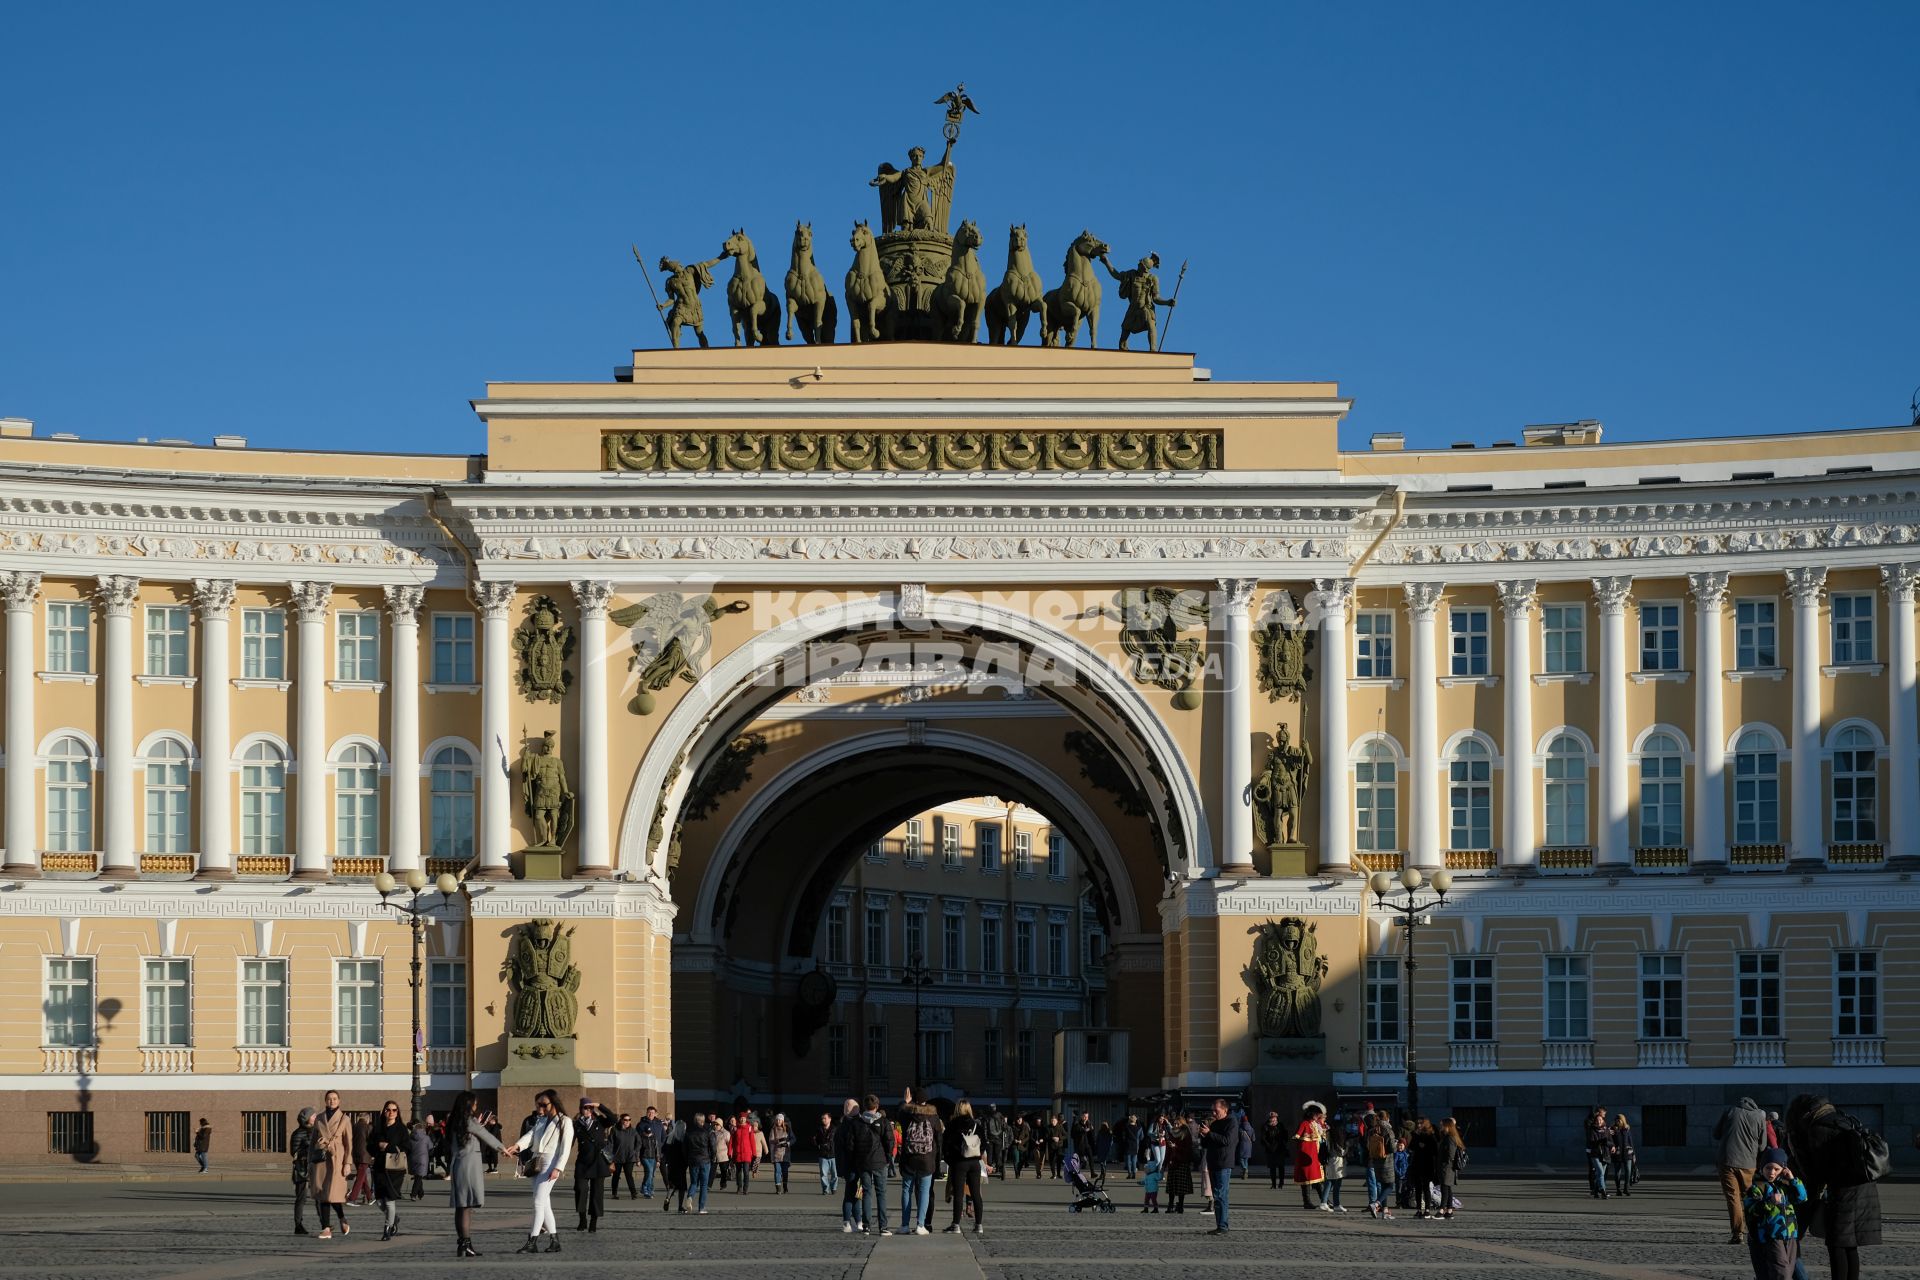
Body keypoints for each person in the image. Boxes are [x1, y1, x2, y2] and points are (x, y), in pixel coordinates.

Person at [1785, 1094, 1884, 1280]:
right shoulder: (1841, 1118)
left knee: (1836, 1244)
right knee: (1850, 1244)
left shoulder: (1817, 1128)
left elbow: (1819, 1171)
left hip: (1842, 1190)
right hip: (1864, 1187)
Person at [503, 1088, 574, 1253]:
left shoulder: (565, 1121)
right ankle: (554, 1241)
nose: (539, 1108)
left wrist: (558, 1168)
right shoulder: (541, 1120)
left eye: (543, 1105)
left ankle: (532, 1241)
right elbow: (530, 1135)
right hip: (537, 1160)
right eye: (538, 1105)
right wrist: (517, 1146)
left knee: (538, 1201)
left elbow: (566, 1149)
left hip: (551, 1161)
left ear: (553, 1103)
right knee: (544, 1202)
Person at [446, 1088, 506, 1259]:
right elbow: (485, 1135)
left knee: (461, 1206)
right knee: (466, 1207)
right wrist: (502, 1149)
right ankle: (466, 1244)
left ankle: (463, 1244)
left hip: (458, 1165)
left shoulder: (454, 1120)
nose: (476, 1106)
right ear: (469, 1104)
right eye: (475, 1103)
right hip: (469, 1166)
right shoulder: (469, 1121)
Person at [1744, 1147, 1808, 1280]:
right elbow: (1751, 1208)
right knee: (1782, 1274)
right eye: (1768, 1168)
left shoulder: (1785, 1186)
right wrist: (1770, 1202)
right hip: (1771, 1237)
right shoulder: (1757, 1188)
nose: (1771, 1172)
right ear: (1761, 1168)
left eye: (1776, 1169)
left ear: (1783, 1170)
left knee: (1788, 1272)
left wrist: (1792, 1179)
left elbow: (1802, 1197)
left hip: (1790, 1236)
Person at [1714, 1097, 1770, 1244]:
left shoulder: (1730, 1111)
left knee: (1733, 1198)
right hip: (1748, 1163)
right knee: (1751, 1197)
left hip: (1727, 1161)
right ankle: (1756, 1230)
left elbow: (1716, 1134)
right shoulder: (1759, 1116)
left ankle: (1738, 1234)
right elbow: (1763, 1145)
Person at [898, 1092, 942, 1234]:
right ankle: (920, 1225)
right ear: (926, 1101)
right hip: (927, 1160)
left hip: (909, 1159)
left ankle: (904, 1225)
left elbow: (898, 1113)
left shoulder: (907, 1115)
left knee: (906, 1191)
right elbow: (939, 1141)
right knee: (924, 1192)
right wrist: (937, 1160)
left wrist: (905, 1102)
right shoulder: (934, 1117)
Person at [312, 1090, 353, 1239]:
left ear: (339, 1101)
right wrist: (311, 1159)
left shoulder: (344, 1119)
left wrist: (347, 1163)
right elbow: (313, 1140)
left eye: (335, 1099)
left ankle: (342, 1218)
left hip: (337, 1160)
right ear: (325, 1101)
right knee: (323, 1194)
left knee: (333, 1194)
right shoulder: (319, 1118)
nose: (332, 1101)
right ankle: (326, 1228)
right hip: (322, 1159)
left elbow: (349, 1144)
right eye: (329, 1099)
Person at [942, 1099, 987, 1235]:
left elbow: (946, 1145)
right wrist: (978, 1157)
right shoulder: (976, 1125)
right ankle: (978, 1225)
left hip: (959, 1162)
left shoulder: (952, 1125)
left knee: (958, 1194)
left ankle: (956, 1224)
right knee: (975, 1194)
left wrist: (950, 1160)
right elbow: (984, 1144)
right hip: (974, 1163)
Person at [367, 1100, 409, 1240]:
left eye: (394, 1110)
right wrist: (378, 1146)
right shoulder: (378, 1128)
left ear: (397, 1113)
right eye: (388, 1110)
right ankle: (393, 1218)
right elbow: (369, 1146)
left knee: (390, 1200)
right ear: (384, 1112)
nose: (390, 1113)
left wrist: (389, 1147)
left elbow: (407, 1148)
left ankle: (387, 1228)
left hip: (395, 1170)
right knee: (379, 1201)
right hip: (379, 1167)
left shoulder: (401, 1129)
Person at [572, 1098, 616, 1231]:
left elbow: (613, 1118)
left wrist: (599, 1105)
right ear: (580, 1109)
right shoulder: (576, 1124)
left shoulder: (600, 1121)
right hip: (583, 1162)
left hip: (599, 1161)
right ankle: (582, 1218)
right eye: (585, 1108)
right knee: (580, 1189)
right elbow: (568, 1141)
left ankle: (593, 1221)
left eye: (589, 1108)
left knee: (597, 1193)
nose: (587, 1110)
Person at [850, 1094, 892, 1236]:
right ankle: (883, 1226)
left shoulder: (857, 1122)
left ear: (864, 1107)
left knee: (867, 1193)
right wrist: (888, 1157)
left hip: (863, 1162)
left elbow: (851, 1144)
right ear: (877, 1106)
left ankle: (866, 1225)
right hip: (879, 1161)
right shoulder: (883, 1121)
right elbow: (889, 1141)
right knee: (881, 1193)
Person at [1201, 1097, 1236, 1235]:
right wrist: (1203, 1135)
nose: (1214, 1113)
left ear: (1225, 1109)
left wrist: (1209, 1133)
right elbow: (1207, 1144)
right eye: (1212, 1111)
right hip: (1213, 1162)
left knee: (1221, 1195)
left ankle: (1223, 1225)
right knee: (1217, 1195)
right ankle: (1219, 1225)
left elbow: (1227, 1141)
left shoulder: (1231, 1122)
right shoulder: (1215, 1124)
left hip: (1224, 1163)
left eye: (1216, 1111)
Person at [833, 1098, 862, 1231]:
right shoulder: (855, 1126)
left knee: (855, 1194)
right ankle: (848, 1222)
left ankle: (857, 1221)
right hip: (855, 1165)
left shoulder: (841, 1127)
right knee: (853, 1194)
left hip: (846, 1165)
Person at [1293, 1101, 1328, 1210]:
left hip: (1315, 1155)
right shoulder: (1304, 1123)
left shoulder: (1315, 1124)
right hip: (1306, 1155)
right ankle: (1307, 1202)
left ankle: (1324, 1200)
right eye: (1317, 1114)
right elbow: (1297, 1137)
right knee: (1307, 1179)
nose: (1318, 1116)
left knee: (1316, 1179)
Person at [290, 1108, 317, 1236]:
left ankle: (325, 1224)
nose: (315, 1117)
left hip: (315, 1168)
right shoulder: (298, 1133)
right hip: (301, 1170)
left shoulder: (316, 1131)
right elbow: (294, 1153)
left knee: (319, 1197)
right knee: (301, 1198)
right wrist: (309, 1150)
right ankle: (298, 1225)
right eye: (313, 1115)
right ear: (307, 1118)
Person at [1365, 1109, 1395, 1219]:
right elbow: (1392, 1148)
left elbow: (1368, 1145)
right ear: (1387, 1118)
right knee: (1390, 1186)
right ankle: (1376, 1204)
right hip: (1387, 1161)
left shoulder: (1372, 1130)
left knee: (1383, 1185)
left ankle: (1385, 1211)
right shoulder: (1387, 1129)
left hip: (1376, 1160)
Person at [685, 1110, 717, 1214]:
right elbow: (713, 1146)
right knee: (704, 1185)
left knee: (694, 1182)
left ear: (695, 1121)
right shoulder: (708, 1131)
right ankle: (701, 1208)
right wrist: (712, 1158)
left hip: (693, 1160)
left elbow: (684, 1148)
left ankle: (690, 1197)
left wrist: (687, 1159)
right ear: (703, 1121)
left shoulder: (688, 1132)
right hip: (705, 1160)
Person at [1408, 1118, 1440, 1218]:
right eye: (1417, 1123)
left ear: (1425, 1124)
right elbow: (1411, 1147)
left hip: (1427, 1164)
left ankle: (1427, 1210)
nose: (1418, 1125)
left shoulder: (1431, 1135)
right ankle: (1418, 1209)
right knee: (1418, 1188)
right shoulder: (1416, 1135)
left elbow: (1435, 1151)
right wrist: (1416, 1139)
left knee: (1426, 1187)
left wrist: (1425, 1147)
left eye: (1421, 1123)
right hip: (1417, 1164)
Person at [1436, 1117, 1467, 1220]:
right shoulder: (1448, 1136)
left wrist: (1444, 1162)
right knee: (1448, 1188)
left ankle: (1441, 1210)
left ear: (1447, 1126)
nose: (1441, 1127)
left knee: (1444, 1188)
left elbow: (1450, 1154)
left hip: (1447, 1167)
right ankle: (1449, 1210)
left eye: (1442, 1125)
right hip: (1447, 1166)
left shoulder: (1449, 1137)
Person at [1165, 1113, 1195, 1214]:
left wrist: (1176, 1147)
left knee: (1181, 1187)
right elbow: (1168, 1150)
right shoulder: (1171, 1133)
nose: (1175, 1125)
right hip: (1173, 1162)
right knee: (1171, 1186)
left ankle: (1181, 1205)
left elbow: (1188, 1149)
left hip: (1182, 1162)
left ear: (1182, 1124)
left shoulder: (1186, 1134)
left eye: (1177, 1124)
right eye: (1174, 1123)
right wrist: (1165, 1163)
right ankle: (1170, 1205)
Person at [662, 1116, 691, 1214]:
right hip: (681, 1165)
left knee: (672, 1185)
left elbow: (663, 1150)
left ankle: (667, 1198)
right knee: (682, 1187)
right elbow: (687, 1151)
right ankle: (680, 1206)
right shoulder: (685, 1137)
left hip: (671, 1164)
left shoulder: (670, 1137)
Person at [1586, 1106, 1615, 1199]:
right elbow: (1591, 1142)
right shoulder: (1592, 1130)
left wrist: (1612, 1146)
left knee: (1600, 1174)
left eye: (1600, 1120)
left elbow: (1610, 1141)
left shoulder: (1606, 1129)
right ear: (1595, 1121)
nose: (1599, 1121)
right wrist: (1601, 1141)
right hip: (1595, 1154)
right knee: (1600, 1172)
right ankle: (1603, 1191)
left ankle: (1595, 1191)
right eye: (1597, 1120)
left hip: (1605, 1154)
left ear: (1603, 1121)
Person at [610, 1113, 640, 1200]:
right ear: (621, 1120)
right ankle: (614, 1193)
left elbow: (639, 1142)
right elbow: (610, 1143)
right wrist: (610, 1157)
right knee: (616, 1176)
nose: (627, 1122)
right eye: (625, 1120)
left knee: (629, 1175)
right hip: (617, 1157)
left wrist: (635, 1151)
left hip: (629, 1157)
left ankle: (633, 1193)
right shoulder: (615, 1130)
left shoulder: (633, 1131)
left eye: (629, 1120)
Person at [638, 1106, 666, 1198]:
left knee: (651, 1173)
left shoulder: (659, 1124)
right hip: (644, 1153)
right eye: (649, 1112)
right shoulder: (641, 1124)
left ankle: (648, 1189)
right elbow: (637, 1139)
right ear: (646, 1113)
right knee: (649, 1172)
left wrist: (659, 1148)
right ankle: (646, 1189)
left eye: (652, 1112)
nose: (651, 1114)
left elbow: (663, 1137)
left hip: (655, 1153)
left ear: (656, 1114)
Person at [1610, 1114, 1637, 1198]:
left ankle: (1626, 1188)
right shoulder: (1613, 1129)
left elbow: (1630, 1141)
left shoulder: (1627, 1129)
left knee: (1628, 1171)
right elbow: (1610, 1140)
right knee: (1617, 1172)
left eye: (1619, 1119)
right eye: (1616, 1120)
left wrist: (1633, 1154)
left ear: (1623, 1120)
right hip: (1617, 1154)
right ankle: (1618, 1189)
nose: (1617, 1121)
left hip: (1627, 1153)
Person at [1260, 1110, 1288, 1188]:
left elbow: (1285, 1135)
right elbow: (1263, 1138)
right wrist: (1268, 1146)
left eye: (1275, 1118)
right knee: (1272, 1168)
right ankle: (1273, 1184)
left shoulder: (1280, 1125)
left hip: (1280, 1149)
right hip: (1270, 1150)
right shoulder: (1265, 1126)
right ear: (1269, 1118)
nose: (1273, 1120)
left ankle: (1281, 1183)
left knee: (1281, 1167)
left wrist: (1283, 1142)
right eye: (1272, 1118)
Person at [731, 1112, 758, 1193]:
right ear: (739, 1119)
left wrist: (754, 1152)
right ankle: (739, 1187)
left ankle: (745, 1188)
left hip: (746, 1153)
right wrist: (730, 1152)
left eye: (744, 1118)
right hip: (738, 1153)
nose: (742, 1119)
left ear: (746, 1119)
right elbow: (732, 1141)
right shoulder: (736, 1128)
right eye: (741, 1118)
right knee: (738, 1172)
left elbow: (752, 1141)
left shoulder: (749, 1128)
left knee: (746, 1171)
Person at [408, 1117, 433, 1201]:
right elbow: (430, 1147)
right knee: (419, 1177)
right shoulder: (426, 1137)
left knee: (418, 1176)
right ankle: (413, 1194)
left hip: (412, 1158)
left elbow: (408, 1148)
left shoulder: (410, 1137)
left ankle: (421, 1193)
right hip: (423, 1159)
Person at [814, 1111, 839, 1195]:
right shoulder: (819, 1129)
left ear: (830, 1119)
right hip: (823, 1154)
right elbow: (816, 1140)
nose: (823, 1120)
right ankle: (825, 1189)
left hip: (833, 1154)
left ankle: (833, 1188)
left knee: (834, 1174)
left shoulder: (835, 1129)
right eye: (822, 1118)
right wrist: (816, 1143)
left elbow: (839, 1141)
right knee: (823, 1174)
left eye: (825, 1118)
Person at [769, 1113, 793, 1194]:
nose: (778, 1121)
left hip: (785, 1154)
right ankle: (778, 1189)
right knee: (777, 1171)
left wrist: (788, 1143)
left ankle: (785, 1186)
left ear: (783, 1120)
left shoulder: (788, 1129)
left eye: (780, 1119)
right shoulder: (773, 1129)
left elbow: (794, 1139)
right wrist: (777, 1141)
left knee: (785, 1171)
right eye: (777, 1119)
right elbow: (771, 1141)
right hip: (777, 1154)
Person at [1141, 1136, 1163, 1212]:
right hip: (1148, 1190)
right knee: (1146, 1199)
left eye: (1146, 1169)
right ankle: (1146, 1209)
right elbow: (1144, 1180)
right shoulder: (1147, 1175)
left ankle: (1156, 1208)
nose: (1145, 1171)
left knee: (1153, 1199)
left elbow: (1159, 1177)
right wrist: (1141, 1182)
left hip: (1153, 1190)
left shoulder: (1153, 1174)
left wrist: (1161, 1173)